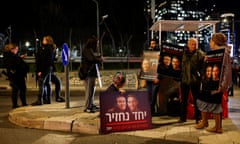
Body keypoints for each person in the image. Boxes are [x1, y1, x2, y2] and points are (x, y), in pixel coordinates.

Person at [195, 33, 232, 133]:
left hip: (216, 84)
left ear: (215, 42)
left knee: (215, 104)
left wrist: (222, 86)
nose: (210, 43)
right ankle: (205, 121)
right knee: (203, 100)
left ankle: (218, 127)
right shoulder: (213, 53)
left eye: (211, 41)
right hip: (209, 83)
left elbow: (227, 71)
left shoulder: (224, 54)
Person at [178, 38, 206, 124]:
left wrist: (200, 76)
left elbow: (203, 67)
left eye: (195, 44)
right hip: (185, 80)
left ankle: (198, 117)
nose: (193, 46)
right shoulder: (182, 53)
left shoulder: (201, 54)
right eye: (192, 44)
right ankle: (183, 117)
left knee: (197, 100)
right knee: (184, 100)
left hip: (195, 81)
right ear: (188, 44)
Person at [3, 43, 29, 108]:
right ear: (12, 49)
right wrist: (14, 71)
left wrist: (20, 58)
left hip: (16, 76)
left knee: (17, 90)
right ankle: (21, 103)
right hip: (17, 76)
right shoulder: (11, 56)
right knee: (20, 89)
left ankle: (18, 104)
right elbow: (12, 65)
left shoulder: (10, 55)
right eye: (16, 49)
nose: (17, 50)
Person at [82, 36, 103, 113]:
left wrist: (98, 58)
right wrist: (100, 59)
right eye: (97, 43)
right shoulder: (87, 50)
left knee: (91, 90)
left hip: (91, 73)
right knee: (89, 91)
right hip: (88, 73)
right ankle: (87, 107)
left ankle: (91, 104)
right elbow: (91, 59)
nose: (97, 45)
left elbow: (93, 58)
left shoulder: (89, 50)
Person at [32, 35, 55, 105]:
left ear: (47, 41)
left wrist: (40, 70)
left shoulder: (46, 49)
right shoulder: (51, 48)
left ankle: (40, 100)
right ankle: (48, 100)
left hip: (44, 69)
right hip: (49, 68)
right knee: (48, 84)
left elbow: (43, 60)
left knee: (41, 84)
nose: (43, 41)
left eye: (44, 40)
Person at [144, 39, 161, 115]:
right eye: (151, 43)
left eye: (153, 43)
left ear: (156, 44)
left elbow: (160, 67)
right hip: (149, 77)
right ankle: (150, 110)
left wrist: (158, 77)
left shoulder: (160, 53)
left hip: (155, 77)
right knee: (148, 95)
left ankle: (152, 111)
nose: (152, 45)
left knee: (153, 95)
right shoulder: (148, 52)